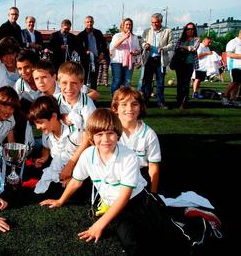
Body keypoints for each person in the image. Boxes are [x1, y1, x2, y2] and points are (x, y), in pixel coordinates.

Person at [40, 108, 189, 255]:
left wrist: (98, 225)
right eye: (99, 134)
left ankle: (192, 217)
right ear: (91, 136)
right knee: (132, 243)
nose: (105, 139)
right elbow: (76, 181)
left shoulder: (129, 156)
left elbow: (124, 197)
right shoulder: (87, 155)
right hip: (114, 206)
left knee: (170, 238)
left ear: (118, 134)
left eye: (110, 133)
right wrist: (60, 201)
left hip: (139, 201)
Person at [28, 96, 82, 194]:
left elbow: (87, 154)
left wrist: (72, 173)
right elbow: (46, 147)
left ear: (53, 117)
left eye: (40, 122)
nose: (37, 127)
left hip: (79, 170)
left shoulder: (74, 132)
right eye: (36, 123)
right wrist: (44, 157)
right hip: (60, 169)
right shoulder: (47, 134)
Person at [111, 87, 161, 193]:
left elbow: (153, 165)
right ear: (115, 108)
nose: (129, 109)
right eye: (124, 104)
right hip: (114, 174)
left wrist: (153, 193)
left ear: (141, 107)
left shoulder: (149, 134)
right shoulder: (109, 131)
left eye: (134, 104)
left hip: (139, 177)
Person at [141, 13, 173, 109]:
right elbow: (142, 41)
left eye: (156, 22)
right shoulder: (147, 31)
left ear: (161, 21)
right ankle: (145, 101)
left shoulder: (168, 31)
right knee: (147, 82)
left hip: (161, 59)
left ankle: (160, 102)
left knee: (160, 82)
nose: (154, 24)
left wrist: (163, 48)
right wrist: (145, 45)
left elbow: (172, 44)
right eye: (152, 22)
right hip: (149, 59)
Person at [76, 15, 109, 90]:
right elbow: (77, 47)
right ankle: (83, 97)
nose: (89, 23)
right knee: (84, 80)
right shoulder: (81, 35)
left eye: (91, 22)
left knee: (94, 81)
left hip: (96, 60)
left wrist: (102, 54)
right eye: (87, 22)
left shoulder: (98, 33)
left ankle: (93, 100)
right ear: (85, 23)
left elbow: (104, 45)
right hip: (85, 60)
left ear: (93, 22)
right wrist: (85, 51)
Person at [109, 18, 141, 95]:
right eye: (126, 24)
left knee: (127, 82)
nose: (128, 26)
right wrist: (124, 37)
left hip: (130, 62)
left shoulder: (134, 37)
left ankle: (124, 99)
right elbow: (114, 46)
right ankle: (114, 98)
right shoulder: (117, 35)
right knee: (117, 81)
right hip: (117, 62)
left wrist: (136, 52)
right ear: (123, 26)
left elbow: (138, 49)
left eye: (130, 24)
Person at [173, 22, 200, 109]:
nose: (190, 31)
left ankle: (184, 101)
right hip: (180, 64)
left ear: (194, 30)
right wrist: (187, 48)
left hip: (189, 63)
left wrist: (184, 47)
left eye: (192, 29)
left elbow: (193, 48)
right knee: (180, 83)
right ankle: (179, 100)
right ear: (185, 30)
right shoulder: (181, 39)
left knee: (186, 83)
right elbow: (176, 48)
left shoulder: (196, 39)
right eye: (188, 29)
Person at [0, 86, 19, 153]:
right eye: (4, 106)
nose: (8, 111)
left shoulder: (11, 119)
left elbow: (11, 142)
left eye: (12, 108)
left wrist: (14, 154)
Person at [222, 29, 241, 106]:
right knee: (234, 82)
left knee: (238, 83)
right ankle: (225, 97)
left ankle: (233, 99)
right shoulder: (233, 42)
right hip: (235, 66)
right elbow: (229, 54)